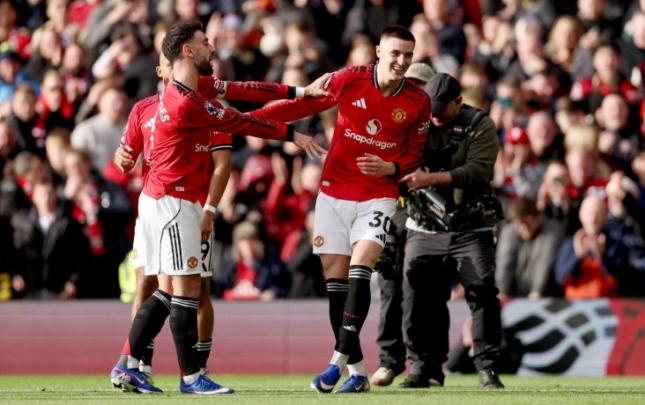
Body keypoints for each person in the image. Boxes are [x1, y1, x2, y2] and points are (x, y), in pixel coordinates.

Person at [109, 20, 324, 395]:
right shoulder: (186, 103)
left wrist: (300, 91)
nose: (212, 47)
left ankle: (127, 364)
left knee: (168, 290)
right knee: (186, 289)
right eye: (204, 42)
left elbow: (245, 89)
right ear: (187, 51)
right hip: (174, 202)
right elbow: (240, 121)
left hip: (166, 200)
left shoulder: (193, 89)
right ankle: (191, 377)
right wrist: (291, 134)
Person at [252, 26, 431, 393]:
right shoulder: (350, 80)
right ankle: (358, 373)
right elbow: (303, 105)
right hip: (334, 193)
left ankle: (335, 364)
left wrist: (392, 168)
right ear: (378, 52)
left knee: (360, 270)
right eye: (395, 53)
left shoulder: (417, 101)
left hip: (378, 195)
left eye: (408, 55)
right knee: (336, 283)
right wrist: (250, 120)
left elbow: (415, 154)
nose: (401, 61)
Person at [399, 73, 504, 389]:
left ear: (459, 102)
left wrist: (430, 179)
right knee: (418, 294)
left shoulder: (480, 125)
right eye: (430, 110)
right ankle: (423, 367)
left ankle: (487, 366)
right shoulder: (416, 121)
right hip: (425, 225)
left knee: (482, 291)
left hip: (471, 226)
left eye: (441, 110)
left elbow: (479, 170)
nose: (434, 117)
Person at [369, 61, 435, 387]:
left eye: (422, 86)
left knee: (421, 289)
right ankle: (389, 360)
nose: (415, 91)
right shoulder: (389, 122)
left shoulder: (438, 128)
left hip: (430, 214)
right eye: (412, 84)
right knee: (389, 285)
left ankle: (423, 363)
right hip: (392, 208)